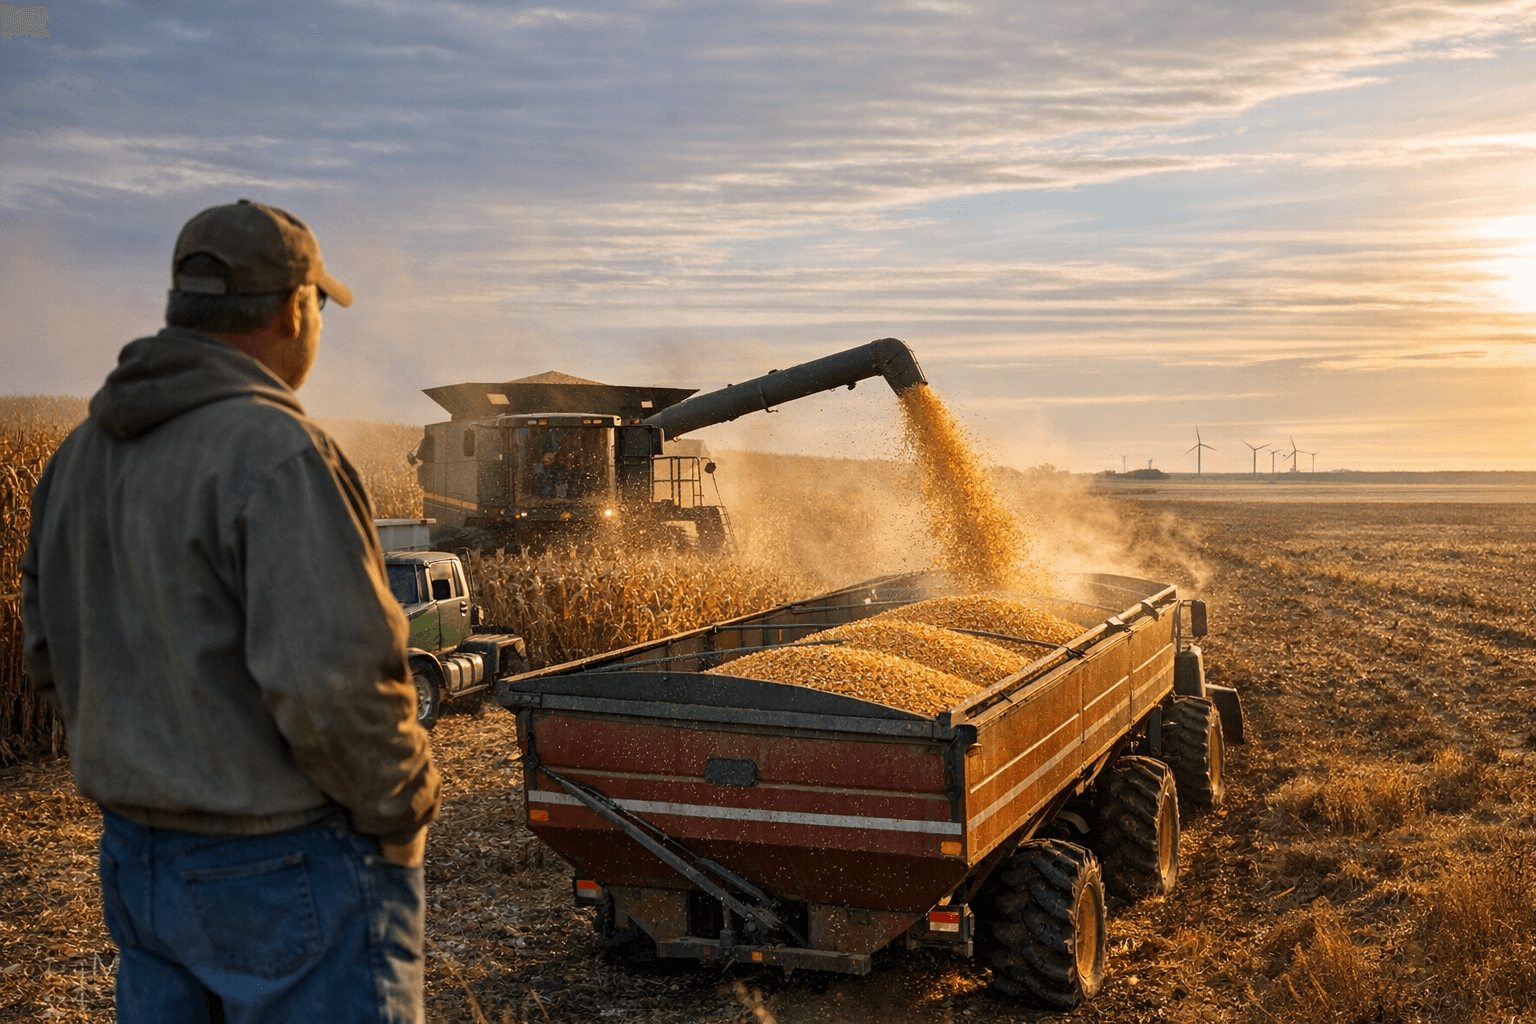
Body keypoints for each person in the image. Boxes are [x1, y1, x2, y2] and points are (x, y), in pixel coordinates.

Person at [20, 199, 441, 1024]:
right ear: (294, 308)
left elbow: (47, 650)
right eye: (319, 307)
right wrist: (403, 815)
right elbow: (338, 684)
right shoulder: (279, 452)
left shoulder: (81, 455)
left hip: (138, 859)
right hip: (284, 865)